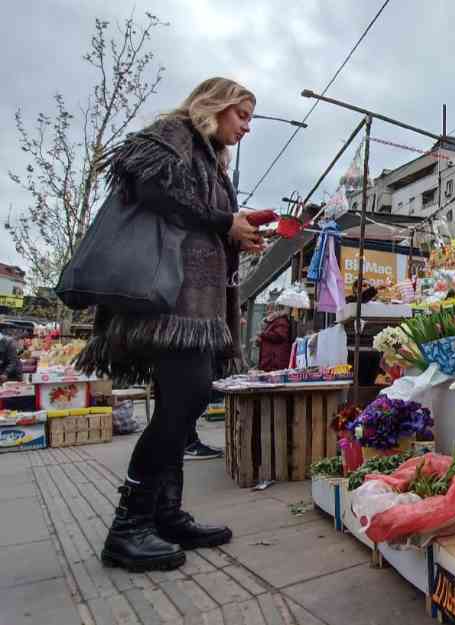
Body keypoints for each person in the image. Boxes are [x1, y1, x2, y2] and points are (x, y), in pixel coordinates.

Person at [75, 77, 264, 572]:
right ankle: (129, 526)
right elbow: (150, 184)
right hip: (169, 304)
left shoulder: (209, 158)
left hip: (192, 306)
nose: (247, 126)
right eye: (241, 114)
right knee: (187, 398)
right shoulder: (176, 132)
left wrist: (235, 232)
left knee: (182, 402)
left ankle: (164, 513)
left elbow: (195, 219)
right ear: (214, 106)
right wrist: (225, 223)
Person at [256, 304, 292, 371]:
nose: (269, 312)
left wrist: (263, 334)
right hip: (270, 361)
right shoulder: (272, 322)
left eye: (271, 309)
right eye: (267, 309)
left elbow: (279, 336)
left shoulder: (281, 320)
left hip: (275, 361)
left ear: (277, 310)